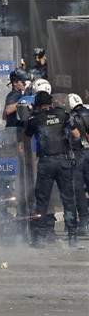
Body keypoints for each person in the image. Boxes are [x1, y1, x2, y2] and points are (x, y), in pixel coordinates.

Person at [24, 91, 81, 248]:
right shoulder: (63, 114)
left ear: (37, 105)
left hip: (46, 163)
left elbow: (26, 138)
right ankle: (72, 236)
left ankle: (39, 238)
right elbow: (76, 134)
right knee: (68, 199)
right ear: (51, 102)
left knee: (42, 201)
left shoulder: (34, 119)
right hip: (63, 161)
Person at [68, 93, 89, 236]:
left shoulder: (70, 117)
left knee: (79, 190)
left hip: (78, 155)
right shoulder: (88, 112)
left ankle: (83, 222)